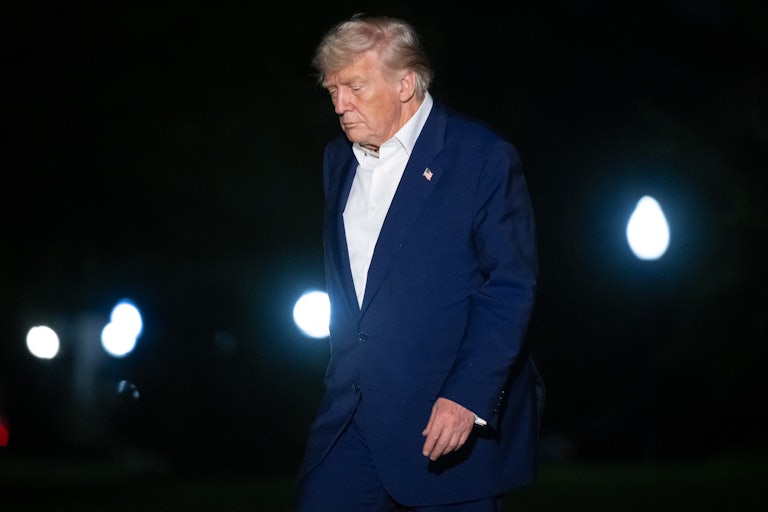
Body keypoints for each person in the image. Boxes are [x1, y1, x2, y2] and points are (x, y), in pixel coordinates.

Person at [296, 14, 544, 511]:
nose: (340, 104)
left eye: (355, 88)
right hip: (351, 418)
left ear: (405, 84)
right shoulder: (338, 160)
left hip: (445, 421)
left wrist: (468, 395)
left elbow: (510, 285)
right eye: (332, 90)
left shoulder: (481, 156)